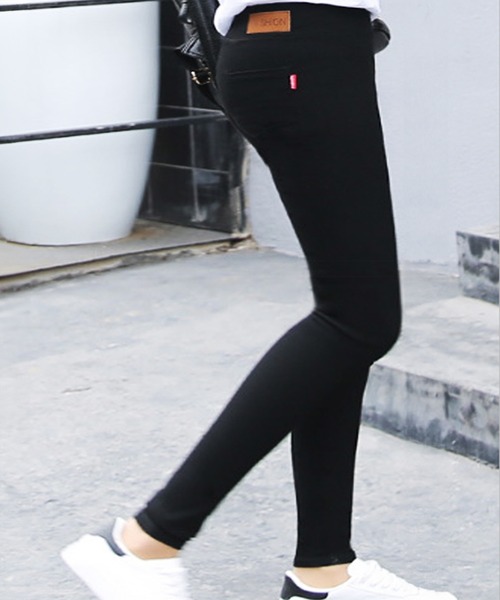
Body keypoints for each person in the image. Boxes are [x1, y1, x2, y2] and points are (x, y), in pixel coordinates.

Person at [61, 2, 458, 599]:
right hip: (304, 51)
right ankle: (147, 539)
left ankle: (323, 570)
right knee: (358, 320)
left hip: (309, 51)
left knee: (350, 317)